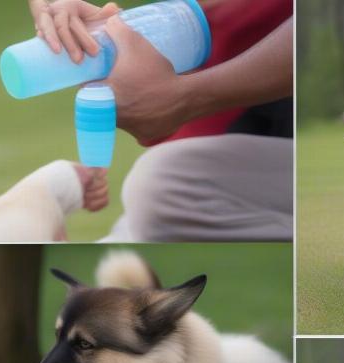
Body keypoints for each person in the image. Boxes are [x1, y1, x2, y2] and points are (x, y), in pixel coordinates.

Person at [28, 0, 293, 242]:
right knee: (141, 217)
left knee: (162, 187)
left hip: (195, 185)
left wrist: (186, 97)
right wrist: (57, 15)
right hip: (199, 183)